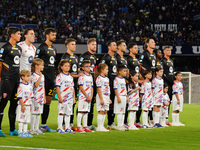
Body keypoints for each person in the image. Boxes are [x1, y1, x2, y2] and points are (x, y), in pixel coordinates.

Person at [0, 27, 22, 137]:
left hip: (16, 81)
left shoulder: (19, 48)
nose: (20, 35)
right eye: (18, 34)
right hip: (7, 80)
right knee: (2, 104)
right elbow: (0, 64)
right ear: (12, 35)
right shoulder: (5, 48)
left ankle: (12, 129)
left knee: (14, 105)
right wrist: (1, 77)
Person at [35, 28, 57, 132]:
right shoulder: (41, 48)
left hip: (51, 79)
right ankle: (35, 126)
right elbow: (36, 62)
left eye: (55, 34)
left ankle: (44, 125)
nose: (55, 36)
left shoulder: (54, 49)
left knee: (48, 102)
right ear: (47, 35)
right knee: (40, 102)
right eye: (53, 35)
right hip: (42, 79)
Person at [61, 38, 82, 131]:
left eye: (75, 44)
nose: (74, 46)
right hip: (66, 84)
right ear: (67, 46)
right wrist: (77, 75)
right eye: (72, 44)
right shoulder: (65, 57)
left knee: (72, 104)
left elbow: (77, 69)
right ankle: (63, 124)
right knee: (65, 104)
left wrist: (80, 73)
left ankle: (70, 123)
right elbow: (64, 72)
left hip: (75, 84)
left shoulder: (76, 57)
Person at [78, 38, 97, 130]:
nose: (95, 46)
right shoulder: (84, 56)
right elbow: (79, 69)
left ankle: (88, 124)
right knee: (82, 105)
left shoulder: (94, 57)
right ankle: (80, 124)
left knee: (91, 104)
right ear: (88, 45)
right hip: (85, 83)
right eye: (93, 44)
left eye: (95, 44)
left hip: (91, 82)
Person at [100, 40, 117, 130]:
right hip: (108, 84)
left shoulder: (115, 58)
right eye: (114, 45)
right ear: (109, 47)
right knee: (108, 104)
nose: (116, 46)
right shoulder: (106, 58)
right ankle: (107, 122)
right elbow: (100, 68)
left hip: (115, 84)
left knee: (113, 104)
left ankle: (111, 122)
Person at [56, 59, 75, 133]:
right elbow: (57, 87)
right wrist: (59, 97)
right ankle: (60, 127)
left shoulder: (70, 77)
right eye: (65, 66)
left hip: (69, 98)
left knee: (68, 113)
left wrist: (73, 97)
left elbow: (72, 88)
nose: (67, 67)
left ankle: (67, 127)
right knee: (61, 112)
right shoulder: (60, 76)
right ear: (61, 67)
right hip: (63, 98)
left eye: (68, 66)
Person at [139, 38, 156, 126]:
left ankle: (151, 120)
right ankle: (139, 120)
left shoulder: (154, 54)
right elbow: (140, 65)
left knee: (151, 100)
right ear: (147, 44)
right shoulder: (144, 53)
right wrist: (143, 76)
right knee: (143, 100)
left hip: (151, 80)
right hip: (145, 80)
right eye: (152, 42)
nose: (154, 43)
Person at [127, 42, 143, 128]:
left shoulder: (136, 60)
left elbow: (139, 71)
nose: (137, 49)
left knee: (137, 104)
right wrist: (131, 80)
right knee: (130, 105)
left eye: (137, 48)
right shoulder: (128, 59)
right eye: (135, 48)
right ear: (130, 49)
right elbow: (128, 72)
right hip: (131, 83)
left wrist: (141, 80)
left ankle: (135, 121)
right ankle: (127, 122)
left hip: (136, 82)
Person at [76, 60, 94, 133]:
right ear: (83, 68)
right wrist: (86, 95)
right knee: (80, 111)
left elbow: (91, 87)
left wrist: (91, 96)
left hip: (89, 97)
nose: (88, 68)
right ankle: (79, 127)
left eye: (89, 66)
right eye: (87, 66)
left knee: (86, 112)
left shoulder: (90, 76)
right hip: (83, 96)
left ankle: (85, 126)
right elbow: (81, 87)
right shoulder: (82, 76)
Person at [30, 58, 46, 135]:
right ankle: (32, 129)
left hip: (41, 97)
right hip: (35, 97)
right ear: (36, 66)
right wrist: (40, 77)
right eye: (41, 65)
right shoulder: (33, 75)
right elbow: (36, 85)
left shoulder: (42, 75)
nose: (43, 67)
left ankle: (36, 128)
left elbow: (43, 87)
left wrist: (44, 97)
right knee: (34, 113)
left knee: (39, 113)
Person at [16, 70, 33, 137]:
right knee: (21, 119)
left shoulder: (30, 86)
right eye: (27, 76)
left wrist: (31, 104)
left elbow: (31, 96)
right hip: (22, 105)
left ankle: (25, 131)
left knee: (26, 119)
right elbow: (20, 96)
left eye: (29, 76)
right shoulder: (21, 86)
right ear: (22, 77)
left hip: (28, 105)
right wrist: (22, 105)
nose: (29, 78)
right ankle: (20, 131)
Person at [95, 63, 111, 132]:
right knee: (101, 111)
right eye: (106, 69)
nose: (107, 70)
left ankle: (102, 126)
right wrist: (101, 98)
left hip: (106, 96)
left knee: (105, 111)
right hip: (101, 96)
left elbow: (108, 89)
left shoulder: (107, 79)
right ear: (102, 70)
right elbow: (99, 89)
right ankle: (99, 127)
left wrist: (109, 98)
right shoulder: (99, 78)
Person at [160, 46, 174, 126]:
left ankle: (166, 118)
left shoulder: (171, 61)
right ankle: (162, 118)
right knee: (164, 101)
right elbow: (163, 73)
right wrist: (165, 83)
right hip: (166, 84)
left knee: (169, 101)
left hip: (171, 84)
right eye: (167, 50)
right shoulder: (163, 61)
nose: (169, 52)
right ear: (164, 52)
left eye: (170, 50)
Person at [114, 64, 128, 131]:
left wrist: (126, 96)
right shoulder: (116, 79)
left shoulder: (123, 79)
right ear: (119, 72)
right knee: (119, 111)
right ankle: (118, 125)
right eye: (124, 71)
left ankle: (121, 124)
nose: (125, 72)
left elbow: (125, 89)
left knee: (123, 111)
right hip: (119, 96)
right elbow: (115, 89)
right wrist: (118, 97)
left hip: (124, 96)